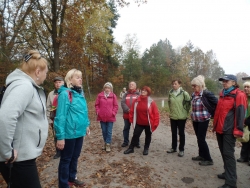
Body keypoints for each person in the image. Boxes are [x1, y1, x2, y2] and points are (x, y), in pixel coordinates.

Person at [0, 50, 48, 188]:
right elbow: (5, 117)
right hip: (18, 160)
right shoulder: (24, 86)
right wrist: (7, 152)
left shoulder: (24, 85)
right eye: (45, 72)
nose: (46, 75)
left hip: (22, 157)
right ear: (38, 72)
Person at [54, 69, 90, 188]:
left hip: (79, 132)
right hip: (69, 133)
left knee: (75, 157)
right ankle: (63, 184)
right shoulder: (65, 94)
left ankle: (72, 178)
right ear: (70, 80)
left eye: (81, 77)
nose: (80, 79)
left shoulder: (80, 93)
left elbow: (84, 112)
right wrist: (60, 137)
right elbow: (60, 117)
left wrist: (86, 125)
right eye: (77, 77)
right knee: (66, 159)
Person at [213, 74, 247, 188]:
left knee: (228, 154)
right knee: (224, 152)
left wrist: (238, 130)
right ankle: (227, 173)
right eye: (223, 81)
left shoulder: (239, 95)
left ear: (233, 82)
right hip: (220, 128)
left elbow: (241, 113)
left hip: (229, 130)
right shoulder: (223, 93)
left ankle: (231, 182)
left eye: (226, 81)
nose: (224, 82)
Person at [124, 86, 160, 155]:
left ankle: (146, 149)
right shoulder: (137, 100)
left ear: (148, 93)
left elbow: (156, 113)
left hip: (148, 123)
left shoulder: (151, 102)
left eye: (145, 91)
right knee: (135, 135)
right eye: (142, 90)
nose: (143, 91)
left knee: (148, 136)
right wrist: (131, 119)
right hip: (139, 122)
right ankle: (131, 148)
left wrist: (156, 122)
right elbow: (132, 110)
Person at [190, 75, 218, 166]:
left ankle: (208, 159)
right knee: (199, 138)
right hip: (195, 120)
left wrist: (212, 114)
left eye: (195, 86)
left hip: (204, 120)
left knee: (201, 139)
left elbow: (217, 103)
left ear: (201, 85)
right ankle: (201, 155)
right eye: (192, 86)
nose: (193, 87)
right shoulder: (194, 94)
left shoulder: (206, 94)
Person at [166, 79, 191, 157]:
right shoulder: (170, 93)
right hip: (173, 116)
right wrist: (171, 112)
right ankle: (173, 148)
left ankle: (181, 149)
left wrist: (185, 113)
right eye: (173, 84)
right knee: (173, 133)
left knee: (181, 133)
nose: (174, 85)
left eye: (175, 84)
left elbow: (188, 104)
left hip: (181, 117)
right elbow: (169, 103)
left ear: (179, 84)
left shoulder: (184, 93)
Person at [95, 82, 118, 152]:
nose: (107, 89)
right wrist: (98, 112)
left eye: (109, 88)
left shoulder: (113, 96)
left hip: (110, 117)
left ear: (111, 89)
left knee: (109, 131)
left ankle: (108, 144)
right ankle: (105, 143)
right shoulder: (100, 95)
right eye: (106, 88)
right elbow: (97, 105)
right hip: (101, 116)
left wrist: (113, 113)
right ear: (104, 88)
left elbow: (116, 106)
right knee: (104, 131)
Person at [46, 76, 65, 159]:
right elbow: (48, 107)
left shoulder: (67, 92)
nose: (58, 84)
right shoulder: (51, 94)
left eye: (59, 82)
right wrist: (49, 119)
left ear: (63, 83)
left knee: (65, 134)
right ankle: (58, 152)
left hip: (65, 118)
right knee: (56, 135)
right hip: (54, 118)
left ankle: (66, 150)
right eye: (56, 82)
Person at [121, 81, 140, 147]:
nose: (131, 85)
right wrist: (128, 110)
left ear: (135, 86)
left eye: (132, 84)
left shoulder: (138, 94)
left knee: (136, 129)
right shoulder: (125, 94)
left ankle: (136, 142)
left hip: (136, 115)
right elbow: (123, 103)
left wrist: (134, 110)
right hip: (127, 115)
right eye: (130, 84)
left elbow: (140, 103)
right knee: (126, 128)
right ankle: (125, 142)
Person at [236, 77, 250, 166]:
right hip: (244, 121)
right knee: (245, 139)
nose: (246, 89)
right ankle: (244, 157)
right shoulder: (243, 97)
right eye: (245, 87)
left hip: (249, 121)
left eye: (248, 87)